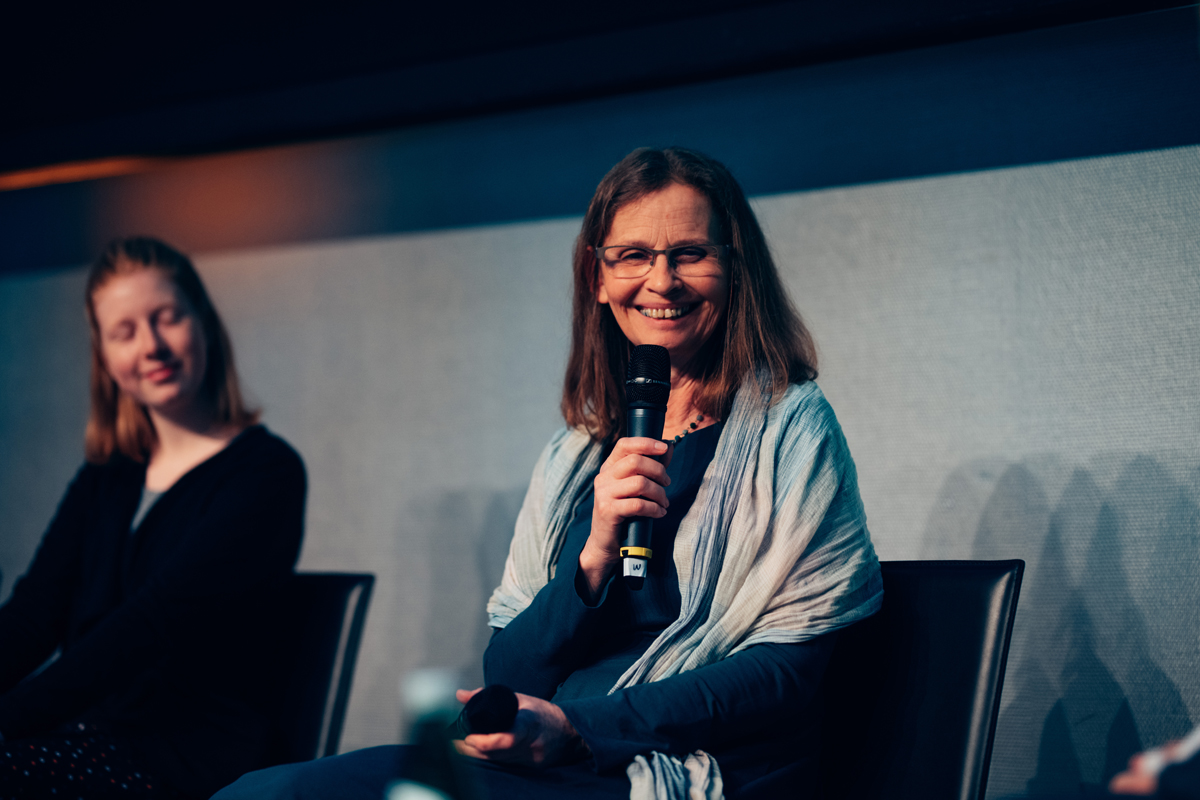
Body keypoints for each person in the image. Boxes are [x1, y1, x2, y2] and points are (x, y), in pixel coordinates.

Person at [214, 146, 881, 800]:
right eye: (633, 256)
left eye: (690, 254)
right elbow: (509, 668)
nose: (661, 281)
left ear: (735, 270)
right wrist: (592, 554)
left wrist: (578, 727)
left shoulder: (792, 425)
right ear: (598, 278)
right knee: (270, 791)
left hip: (688, 767)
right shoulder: (577, 455)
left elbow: (787, 671)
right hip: (547, 758)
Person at [0, 237, 307, 799]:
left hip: (185, 753)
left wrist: (8, 717)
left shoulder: (266, 473)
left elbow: (148, 626)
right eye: (125, 332)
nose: (152, 347)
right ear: (105, 357)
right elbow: (33, 612)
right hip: (88, 732)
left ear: (203, 322)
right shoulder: (109, 475)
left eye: (167, 318)